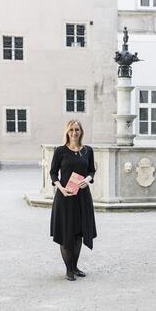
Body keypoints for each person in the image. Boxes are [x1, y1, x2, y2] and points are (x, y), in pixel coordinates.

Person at [49, 120, 97, 281]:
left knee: (79, 233)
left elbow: (91, 170)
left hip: (82, 197)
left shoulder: (88, 151)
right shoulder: (60, 151)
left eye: (77, 130)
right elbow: (53, 173)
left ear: (81, 132)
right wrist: (60, 188)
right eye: (71, 130)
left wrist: (89, 178)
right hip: (66, 197)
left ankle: (75, 267)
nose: (74, 133)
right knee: (66, 232)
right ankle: (68, 269)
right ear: (67, 132)